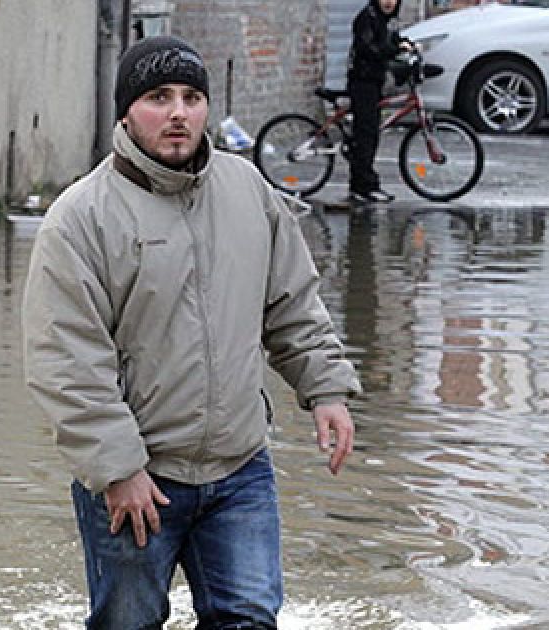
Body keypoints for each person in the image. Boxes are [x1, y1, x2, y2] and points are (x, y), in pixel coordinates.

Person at [22, 35, 363, 629]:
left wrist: (326, 388)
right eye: (158, 97)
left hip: (240, 469)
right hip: (137, 476)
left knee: (250, 619)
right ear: (126, 112)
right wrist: (118, 469)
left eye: (191, 97)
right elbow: (67, 360)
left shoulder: (248, 192)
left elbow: (291, 304)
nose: (178, 112)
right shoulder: (80, 219)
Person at [346, 0, 413, 204]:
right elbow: (368, 48)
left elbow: (394, 38)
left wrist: (406, 44)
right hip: (362, 82)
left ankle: (364, 182)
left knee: (370, 133)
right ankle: (363, 187)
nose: (389, 2)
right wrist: (394, 50)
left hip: (374, 82)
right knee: (366, 135)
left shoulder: (386, 21)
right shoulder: (367, 18)